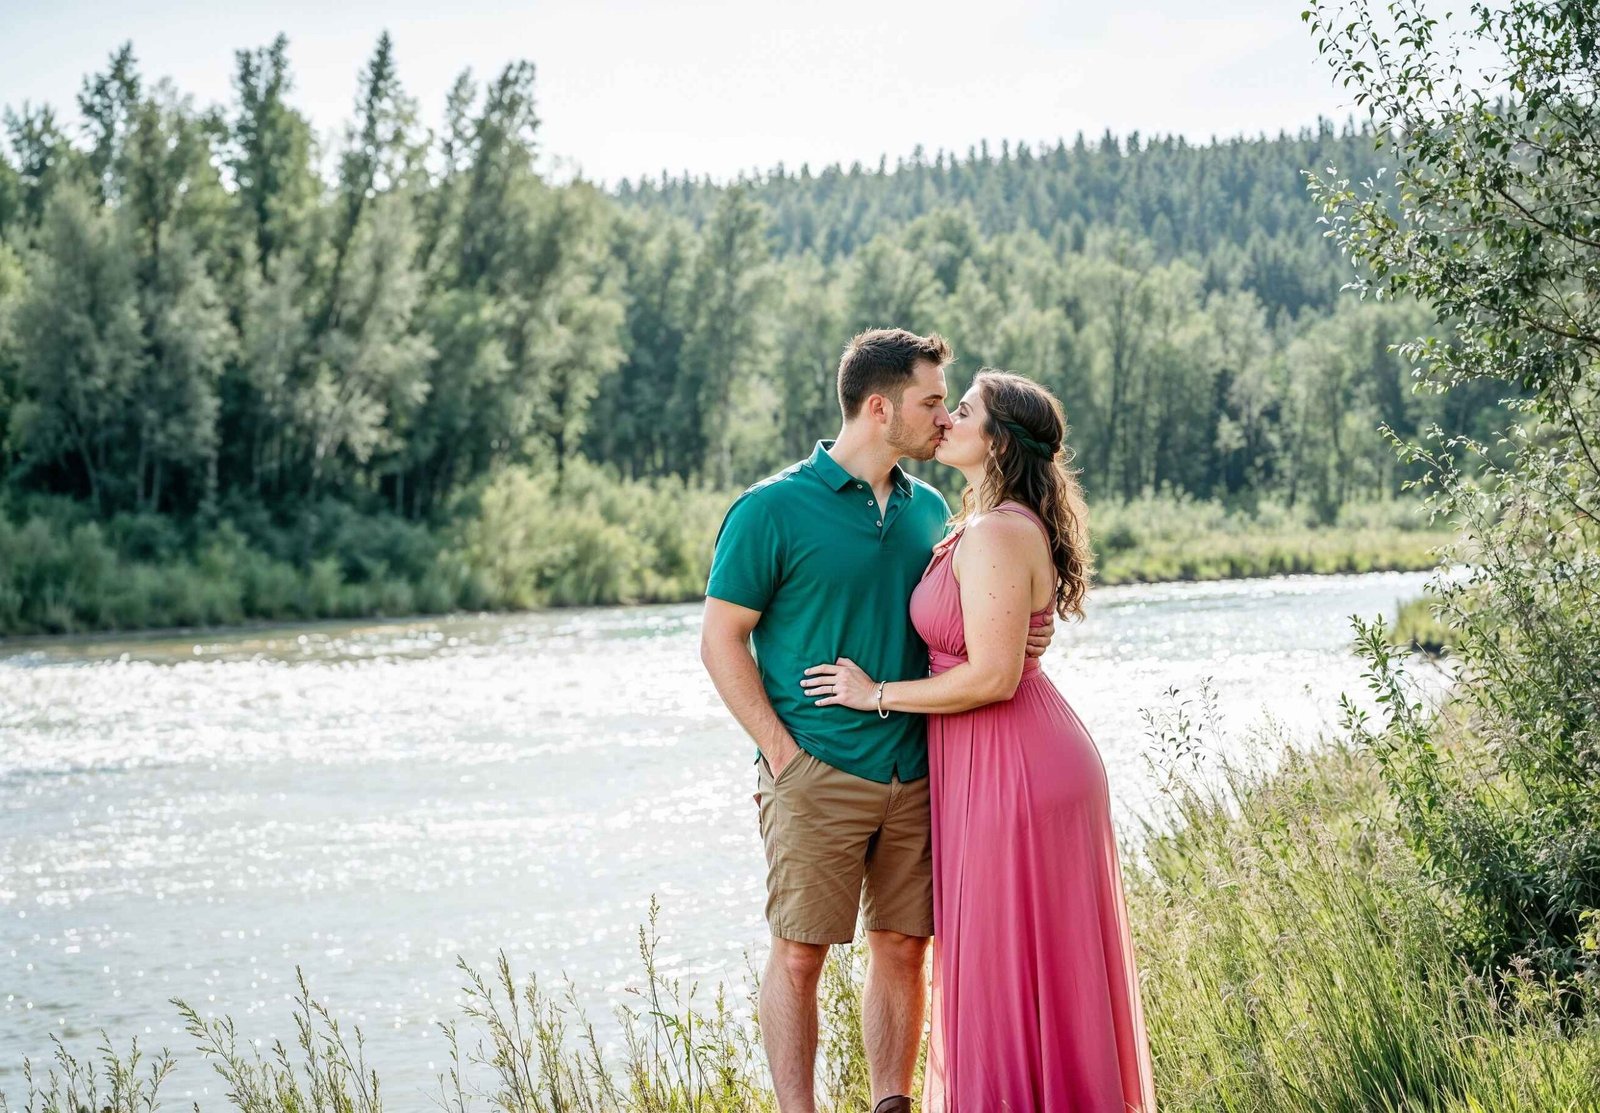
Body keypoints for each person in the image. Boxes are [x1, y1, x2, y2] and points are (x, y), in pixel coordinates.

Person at [700, 331, 1055, 1113]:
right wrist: (782, 754)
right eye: (932, 401)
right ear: (878, 406)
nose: (941, 417)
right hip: (816, 769)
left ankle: (891, 1103)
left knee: (903, 947)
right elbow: (720, 640)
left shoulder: (933, 510)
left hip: (921, 772)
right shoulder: (770, 509)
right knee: (800, 956)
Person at [803, 369, 1157, 1112]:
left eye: (960, 410)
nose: (945, 419)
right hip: (991, 760)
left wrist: (877, 695)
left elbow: (993, 676)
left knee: (1008, 964)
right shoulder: (982, 518)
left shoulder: (998, 531)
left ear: (995, 439)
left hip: (1015, 766)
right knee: (1005, 965)